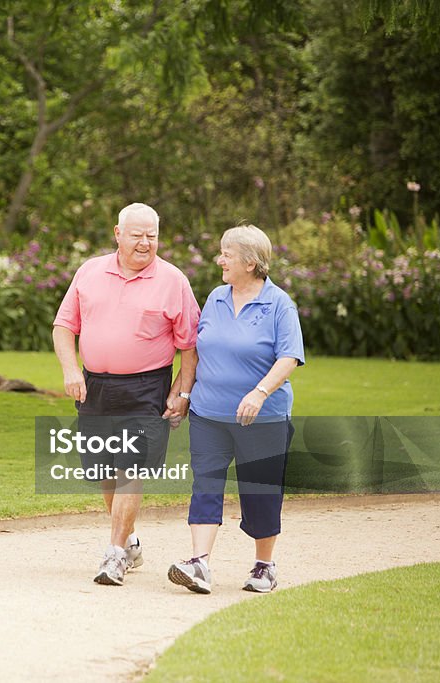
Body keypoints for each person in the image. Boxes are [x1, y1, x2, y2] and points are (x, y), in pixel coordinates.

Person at [53, 202, 200, 587]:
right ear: (118, 234)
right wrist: (71, 371)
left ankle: (115, 555)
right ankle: (131, 543)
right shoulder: (90, 271)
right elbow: (64, 326)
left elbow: (190, 345)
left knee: (129, 471)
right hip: (95, 387)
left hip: (146, 389)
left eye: (151, 235)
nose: (145, 243)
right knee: (102, 472)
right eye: (136, 234)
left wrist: (182, 391)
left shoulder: (173, 280)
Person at [167, 224, 305, 595]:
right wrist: (183, 392)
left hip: (262, 418)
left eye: (226, 253)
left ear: (250, 261)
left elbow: (289, 356)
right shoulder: (215, 297)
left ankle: (264, 565)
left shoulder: (279, 304)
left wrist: (259, 393)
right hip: (208, 413)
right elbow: (196, 351)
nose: (219, 259)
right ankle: (199, 564)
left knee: (260, 491)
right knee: (205, 483)